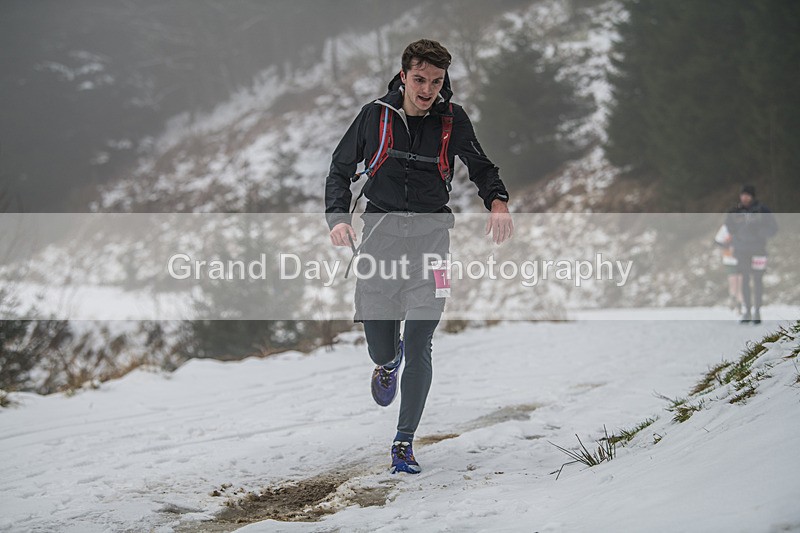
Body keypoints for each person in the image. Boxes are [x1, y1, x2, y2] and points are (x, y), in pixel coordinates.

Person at [325, 39, 513, 474]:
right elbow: (339, 168)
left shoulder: (452, 119)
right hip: (380, 239)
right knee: (381, 347)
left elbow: (480, 166)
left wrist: (498, 201)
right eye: (420, 79)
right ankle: (387, 363)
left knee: (421, 343)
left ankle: (403, 442)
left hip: (433, 242)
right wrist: (337, 218)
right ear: (404, 76)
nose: (428, 89)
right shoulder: (376, 115)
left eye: (436, 81)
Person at [725, 185, 778, 324]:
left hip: (759, 250)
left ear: (752, 196)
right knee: (745, 280)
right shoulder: (735, 211)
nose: (745, 197)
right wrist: (736, 234)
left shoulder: (762, 210)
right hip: (741, 251)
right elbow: (728, 226)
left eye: (748, 195)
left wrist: (762, 233)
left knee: (758, 280)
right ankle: (747, 310)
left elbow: (773, 227)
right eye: (743, 194)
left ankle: (757, 311)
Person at [713, 223, 743, 314]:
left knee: (741, 283)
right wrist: (727, 245)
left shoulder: (745, 225)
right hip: (729, 258)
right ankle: (732, 297)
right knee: (733, 282)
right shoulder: (726, 227)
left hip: (742, 259)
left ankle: (739, 305)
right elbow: (717, 241)